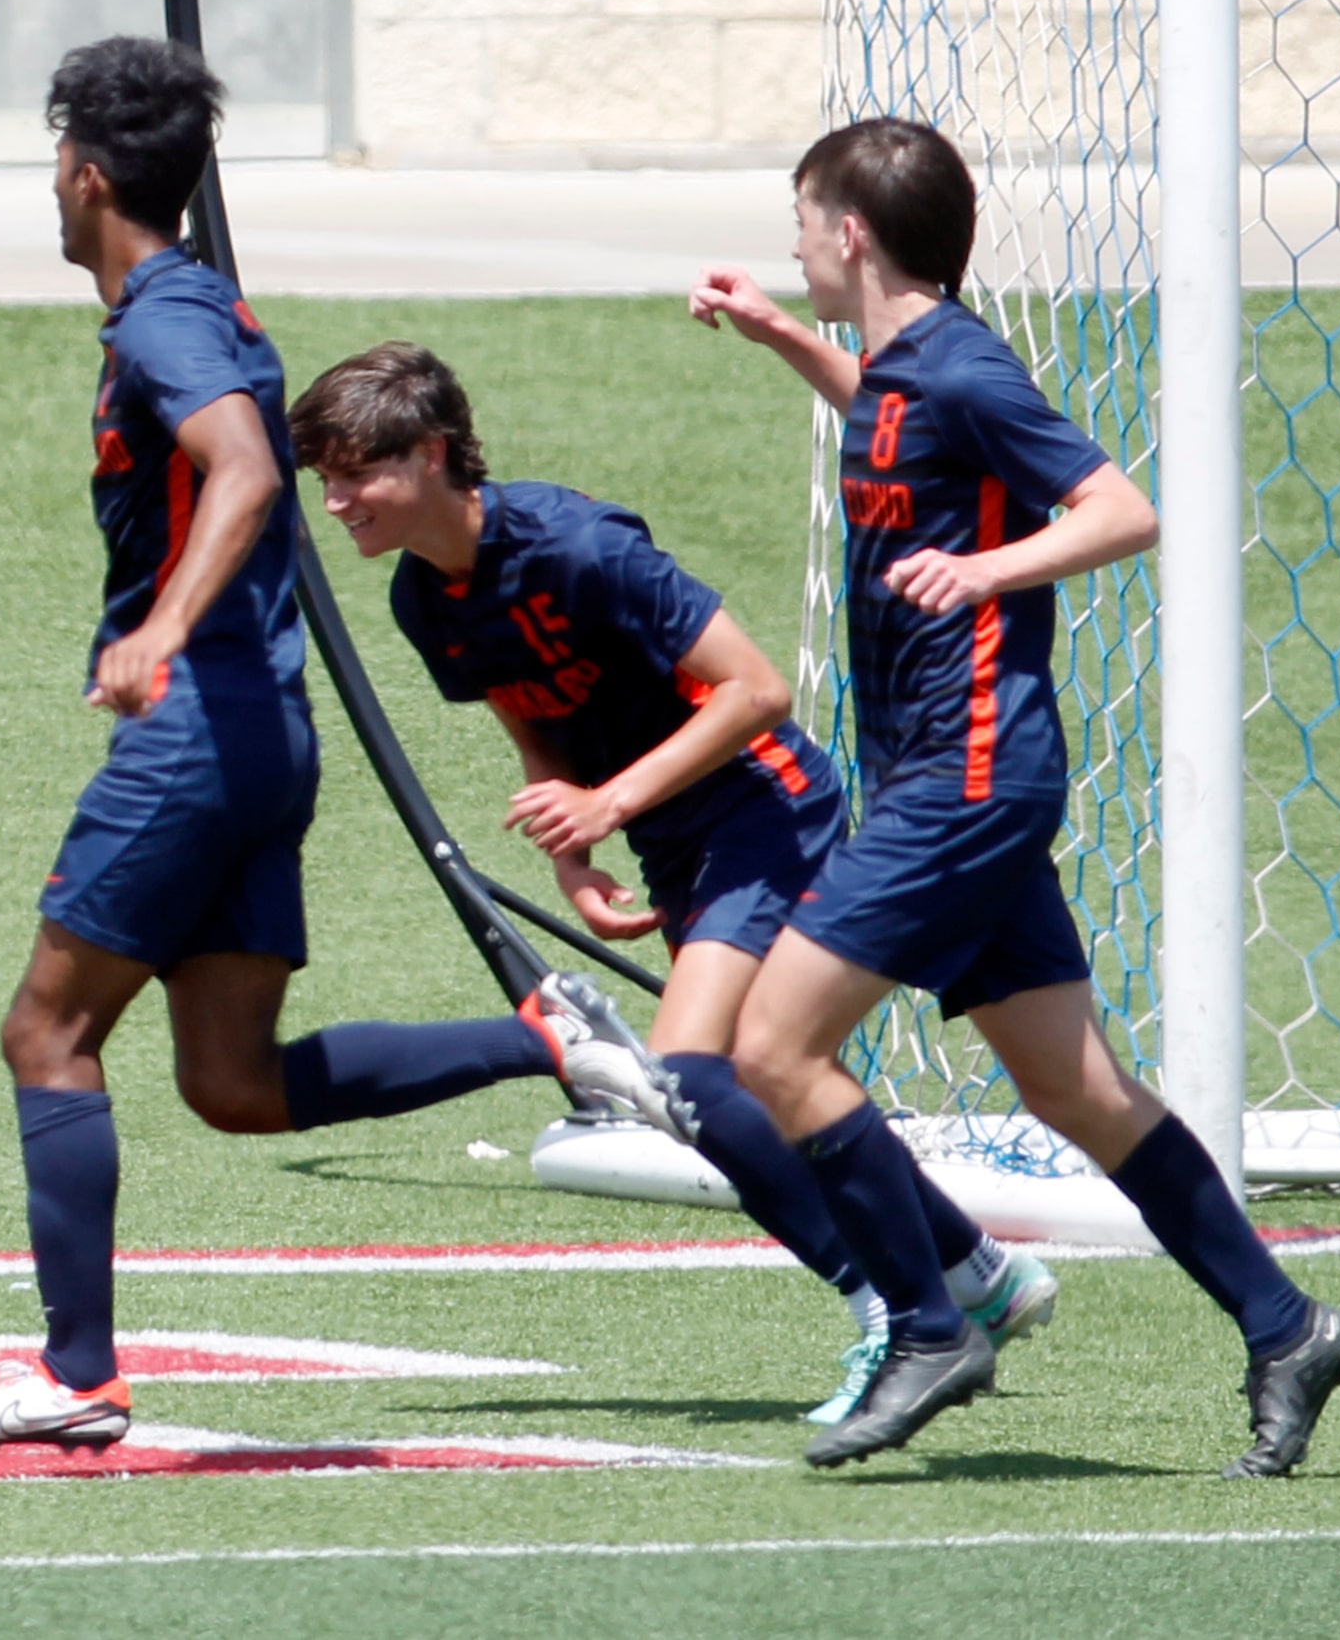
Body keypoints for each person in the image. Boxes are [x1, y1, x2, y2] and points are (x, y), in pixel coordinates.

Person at [0, 38, 651, 1449]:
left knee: (46, 1034)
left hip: (195, 737)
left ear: (81, 174)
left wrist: (160, 629)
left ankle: (72, 1376)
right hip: (266, 740)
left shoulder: (159, 326)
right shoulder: (198, 306)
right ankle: (540, 1033)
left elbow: (244, 466)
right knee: (231, 1084)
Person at [693, 118, 1340, 1474]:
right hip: (946, 777)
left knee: (768, 1048)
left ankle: (933, 1320)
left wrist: (987, 575)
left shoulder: (964, 366)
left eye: (799, 219)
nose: (791, 240)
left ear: (850, 233)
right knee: (1074, 1087)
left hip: (967, 779)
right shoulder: (893, 371)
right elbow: (898, 440)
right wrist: (778, 335)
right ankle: (1285, 1323)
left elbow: (1119, 508)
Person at [290, 340, 1055, 1423]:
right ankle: (979, 1272)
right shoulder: (425, 599)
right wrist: (574, 846)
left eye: (352, 473)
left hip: (764, 806)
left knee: (700, 1075)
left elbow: (757, 690)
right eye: (321, 478)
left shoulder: (579, 544)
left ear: (429, 454)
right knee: (773, 1090)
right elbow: (526, 710)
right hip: (672, 838)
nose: (333, 503)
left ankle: (895, 1314)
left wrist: (610, 800)